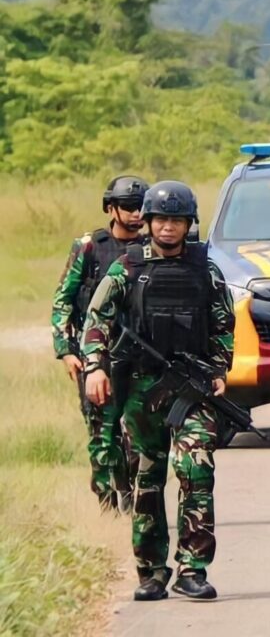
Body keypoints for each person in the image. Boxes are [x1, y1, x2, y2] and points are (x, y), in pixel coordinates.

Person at [81, 181, 234, 601]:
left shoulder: (206, 270)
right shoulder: (127, 268)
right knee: (146, 480)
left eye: (177, 220)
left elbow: (224, 324)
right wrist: (96, 366)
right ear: (148, 222)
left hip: (192, 388)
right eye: (161, 219)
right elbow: (97, 321)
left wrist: (220, 368)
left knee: (196, 470)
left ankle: (192, 568)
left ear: (189, 224)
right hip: (141, 389)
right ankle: (150, 571)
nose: (168, 227)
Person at [51, 175, 148, 514]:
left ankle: (135, 499)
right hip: (97, 357)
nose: (136, 214)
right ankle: (107, 507)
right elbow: (64, 299)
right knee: (103, 438)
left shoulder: (152, 248)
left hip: (141, 358)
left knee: (140, 439)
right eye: (128, 207)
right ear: (111, 208)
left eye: (141, 207)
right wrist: (65, 350)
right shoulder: (90, 246)